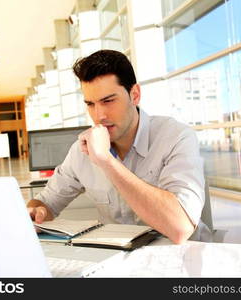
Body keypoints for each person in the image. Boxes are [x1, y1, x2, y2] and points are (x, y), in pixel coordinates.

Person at [27, 49, 208, 244]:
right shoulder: (81, 150)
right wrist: (38, 211)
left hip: (181, 260)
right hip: (119, 263)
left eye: (108, 101)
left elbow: (180, 227)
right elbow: (46, 202)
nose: (99, 115)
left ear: (135, 95)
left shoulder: (176, 137)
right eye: (90, 104)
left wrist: (106, 161)